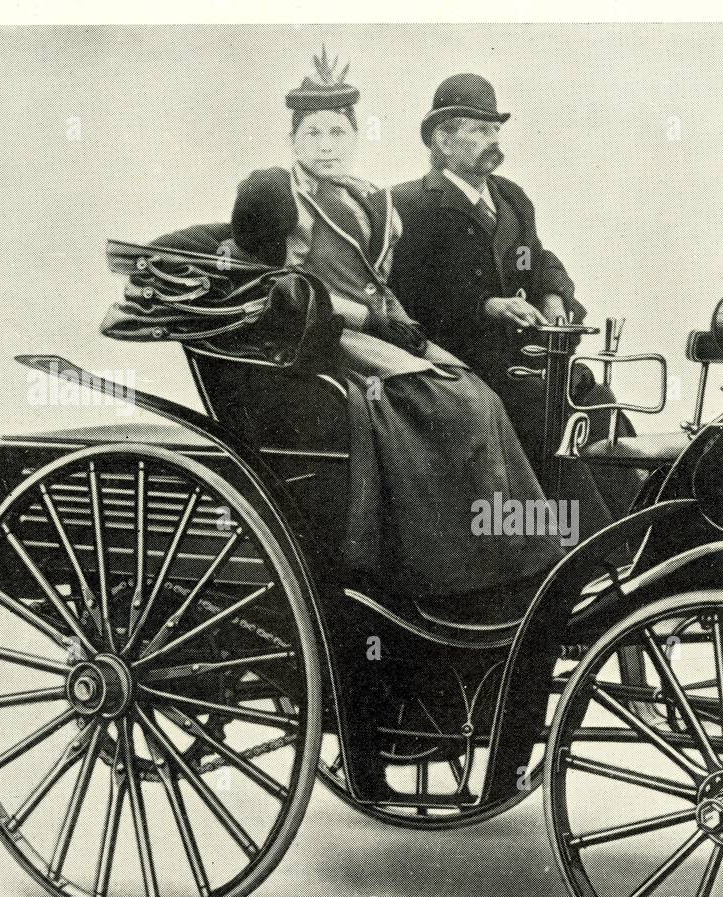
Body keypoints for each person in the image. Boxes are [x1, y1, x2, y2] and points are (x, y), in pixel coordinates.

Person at [229, 50, 564, 603]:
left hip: (382, 329)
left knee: (473, 394)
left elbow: (528, 259)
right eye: (313, 135)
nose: (327, 146)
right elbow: (273, 283)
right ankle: (454, 568)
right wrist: (386, 321)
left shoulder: (368, 198)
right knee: (464, 408)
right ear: (294, 142)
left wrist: (407, 329)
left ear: (354, 137)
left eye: (337, 133)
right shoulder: (280, 194)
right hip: (325, 338)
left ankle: (509, 555)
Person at [387, 73, 643, 527]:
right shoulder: (408, 206)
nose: (494, 139)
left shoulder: (512, 198)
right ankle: (588, 547)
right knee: (549, 411)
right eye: (481, 130)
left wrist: (553, 293)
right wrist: (487, 305)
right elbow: (411, 293)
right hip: (462, 365)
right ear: (443, 141)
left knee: (594, 396)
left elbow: (536, 257)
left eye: (496, 129)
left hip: (529, 356)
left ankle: (640, 527)